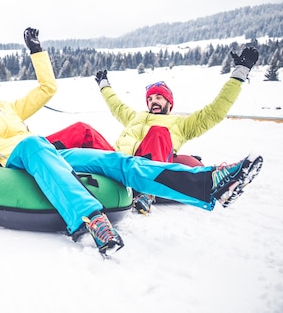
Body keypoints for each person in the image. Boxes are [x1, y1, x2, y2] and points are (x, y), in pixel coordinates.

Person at [0, 27, 264, 257]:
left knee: (118, 164)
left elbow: (48, 87)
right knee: (32, 146)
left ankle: (206, 184)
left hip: (47, 152)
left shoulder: (8, 109)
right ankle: (90, 218)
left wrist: (36, 51)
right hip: (18, 158)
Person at [47, 48, 259, 215]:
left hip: (144, 172)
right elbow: (116, 105)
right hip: (115, 162)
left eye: (158, 97)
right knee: (82, 129)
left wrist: (239, 74)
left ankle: (146, 194)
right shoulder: (135, 116)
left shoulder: (181, 124)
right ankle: (31, 152)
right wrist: (105, 85)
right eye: (150, 98)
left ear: (169, 102)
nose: (153, 101)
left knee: (158, 132)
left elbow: (215, 111)